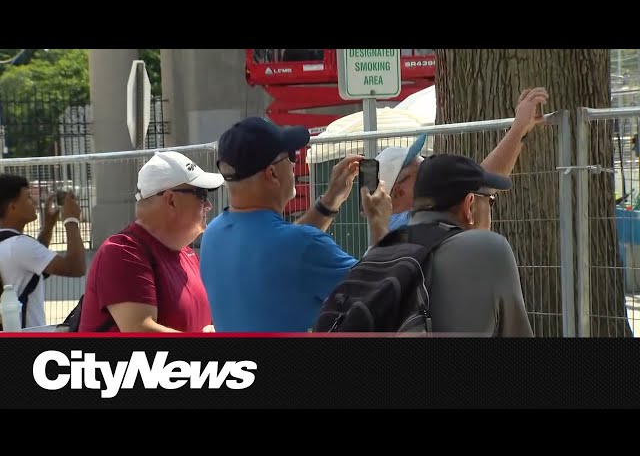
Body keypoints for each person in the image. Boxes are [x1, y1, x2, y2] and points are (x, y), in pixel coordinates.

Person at [200, 116, 391, 332]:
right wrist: (379, 222)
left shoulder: (213, 234)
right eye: (290, 156)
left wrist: (329, 202)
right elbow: (383, 290)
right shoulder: (302, 245)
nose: (294, 163)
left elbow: (280, 248)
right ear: (271, 173)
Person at [78, 151, 224, 332]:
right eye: (201, 194)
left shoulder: (187, 255)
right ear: (171, 200)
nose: (208, 205)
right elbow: (139, 329)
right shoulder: (123, 252)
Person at [377, 87, 549, 230]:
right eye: (421, 169)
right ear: (399, 191)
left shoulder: (394, 226)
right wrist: (518, 129)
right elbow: (483, 178)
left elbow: (482, 178)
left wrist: (520, 130)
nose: (430, 167)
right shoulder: (412, 224)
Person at [407, 153, 534, 336]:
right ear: (469, 205)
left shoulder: (381, 249)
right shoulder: (488, 249)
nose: (491, 209)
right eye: (490, 201)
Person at [0, 174, 86, 328]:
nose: (34, 202)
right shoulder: (20, 245)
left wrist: (48, 227)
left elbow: (34, 266)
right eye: (28, 198)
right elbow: (75, 267)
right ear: (12, 207)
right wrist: (71, 220)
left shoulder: (10, 243)